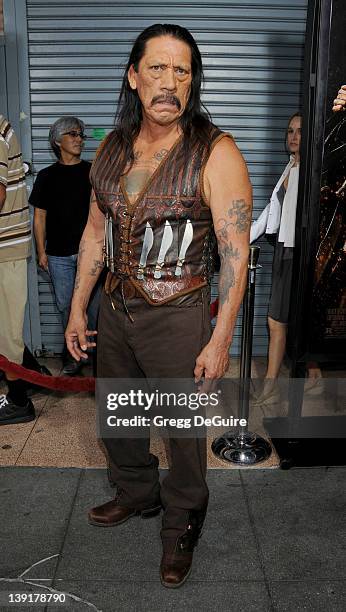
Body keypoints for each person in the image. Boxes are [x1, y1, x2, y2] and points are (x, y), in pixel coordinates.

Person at [65, 24, 252, 587]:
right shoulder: (113, 145)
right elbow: (95, 234)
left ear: (192, 82)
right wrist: (79, 307)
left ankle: (182, 523)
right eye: (157, 68)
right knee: (118, 420)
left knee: (182, 435)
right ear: (133, 76)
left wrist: (219, 341)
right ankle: (137, 491)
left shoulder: (216, 151)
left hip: (179, 314)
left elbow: (236, 257)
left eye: (182, 71)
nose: (169, 82)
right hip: (115, 311)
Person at [250, 113, 322, 403]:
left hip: (299, 251)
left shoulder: (311, 170)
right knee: (287, 320)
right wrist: (243, 239)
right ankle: (314, 375)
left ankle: (271, 385)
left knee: (277, 321)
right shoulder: (291, 166)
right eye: (290, 131)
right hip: (284, 249)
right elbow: (271, 211)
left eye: (300, 131)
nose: (293, 136)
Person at [30, 116, 100, 375]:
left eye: (80, 134)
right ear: (58, 141)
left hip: (90, 256)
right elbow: (39, 216)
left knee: (94, 309)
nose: (79, 139)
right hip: (58, 256)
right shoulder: (46, 176)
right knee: (66, 308)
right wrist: (41, 251)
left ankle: (95, 357)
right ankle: (73, 356)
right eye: (72, 134)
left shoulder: (92, 173)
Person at [0, 115, 43, 424]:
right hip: (6, 245)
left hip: (4, 247)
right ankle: (31, 376)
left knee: (5, 329)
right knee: (6, 325)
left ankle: (18, 402)